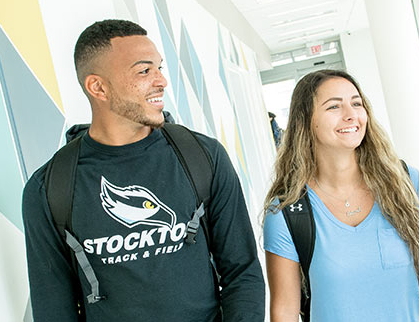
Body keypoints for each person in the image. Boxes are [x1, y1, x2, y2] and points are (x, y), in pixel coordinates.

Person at [22, 19, 265, 321]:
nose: (161, 80)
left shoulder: (203, 156)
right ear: (98, 87)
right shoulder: (49, 189)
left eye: (160, 68)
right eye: (144, 70)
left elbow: (242, 271)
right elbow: (53, 308)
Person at [262, 69, 419, 321]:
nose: (351, 115)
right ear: (306, 120)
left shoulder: (406, 183)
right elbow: (285, 310)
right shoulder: (287, 212)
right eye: (334, 107)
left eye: (357, 104)